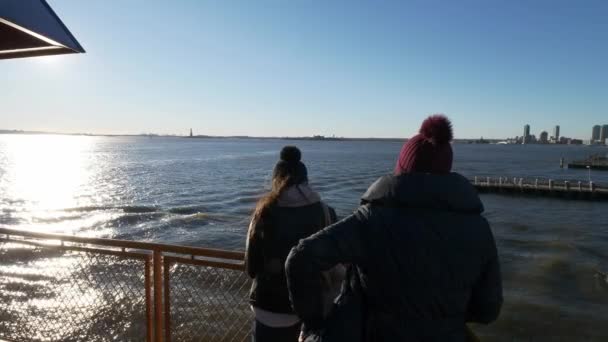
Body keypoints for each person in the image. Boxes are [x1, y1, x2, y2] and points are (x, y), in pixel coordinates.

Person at [286, 115, 502, 341]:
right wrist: (446, 315)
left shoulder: (371, 220)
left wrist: (315, 323)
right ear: (447, 170)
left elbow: (300, 259)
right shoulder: (479, 228)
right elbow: (488, 309)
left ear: (402, 170)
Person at [246, 146, 337, 342]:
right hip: (312, 308)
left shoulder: (263, 212)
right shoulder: (325, 212)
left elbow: (251, 268)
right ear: (306, 179)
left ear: (276, 179)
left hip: (269, 307)